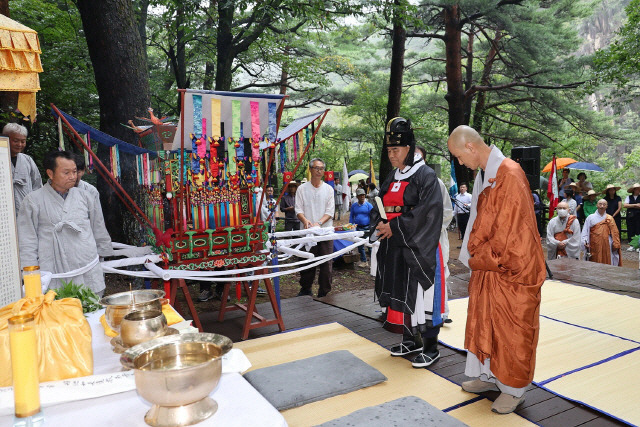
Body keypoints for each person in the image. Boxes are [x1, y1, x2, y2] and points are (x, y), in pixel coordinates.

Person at [448, 125, 545, 414]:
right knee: (486, 321)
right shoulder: (488, 173)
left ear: (470, 147)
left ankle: (514, 388)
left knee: (512, 329)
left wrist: (478, 257)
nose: (460, 164)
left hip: (512, 270)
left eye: (459, 157)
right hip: (491, 268)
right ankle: (490, 375)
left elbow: (510, 235)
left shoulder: (510, 174)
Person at [370, 118, 443, 369]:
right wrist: (380, 223)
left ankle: (431, 347)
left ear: (409, 149)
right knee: (400, 291)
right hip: (394, 245)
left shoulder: (426, 175)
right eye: (389, 151)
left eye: (396, 150)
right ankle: (411, 340)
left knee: (423, 297)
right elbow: (381, 202)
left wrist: (396, 227)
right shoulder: (393, 175)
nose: (391, 155)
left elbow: (429, 212)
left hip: (418, 246)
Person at [17, 151, 113, 296]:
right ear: (50, 173)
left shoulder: (86, 197)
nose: (72, 176)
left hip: (86, 266)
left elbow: (98, 228)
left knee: (91, 312)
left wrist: (103, 252)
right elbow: (27, 240)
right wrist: (31, 274)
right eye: (66, 172)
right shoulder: (33, 201)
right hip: (53, 271)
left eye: (74, 171)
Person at [415, 144, 454, 324]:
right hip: (413, 240)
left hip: (434, 239)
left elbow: (447, 211)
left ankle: (441, 312)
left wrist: (431, 231)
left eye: (419, 157)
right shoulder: (407, 183)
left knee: (439, 275)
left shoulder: (436, 183)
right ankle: (420, 314)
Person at [295, 158, 335, 297]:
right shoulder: (302, 188)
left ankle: (324, 292)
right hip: (307, 232)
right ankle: (305, 289)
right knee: (307, 262)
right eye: (316, 168)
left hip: (325, 232)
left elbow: (330, 212)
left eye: (321, 168)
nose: (319, 171)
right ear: (311, 169)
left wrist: (319, 223)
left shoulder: (329, 189)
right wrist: (305, 221)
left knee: (326, 265)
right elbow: (298, 209)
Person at [4, 123, 42, 214]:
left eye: (23, 141)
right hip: (4, 212)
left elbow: (37, 185)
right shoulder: (2, 158)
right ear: (6, 138)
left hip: (26, 212)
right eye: (16, 141)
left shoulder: (27, 160)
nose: (20, 144)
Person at [582, 199, 622, 266]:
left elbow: (615, 232)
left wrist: (616, 243)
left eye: (604, 204)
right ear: (597, 205)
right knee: (594, 260)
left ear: (607, 206)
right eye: (600, 204)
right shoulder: (590, 217)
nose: (602, 206)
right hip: (593, 243)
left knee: (607, 259)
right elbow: (585, 231)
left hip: (607, 244)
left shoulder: (610, 218)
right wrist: (584, 241)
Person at [349, 188, 373, 267]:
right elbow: (352, 216)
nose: (362, 197)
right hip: (358, 228)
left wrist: (372, 226)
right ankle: (364, 261)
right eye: (360, 195)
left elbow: (373, 215)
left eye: (363, 195)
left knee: (370, 245)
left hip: (367, 227)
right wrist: (351, 225)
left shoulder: (368, 205)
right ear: (357, 197)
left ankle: (373, 261)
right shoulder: (354, 206)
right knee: (360, 245)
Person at [623, 183, 640, 251]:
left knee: (638, 230)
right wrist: (636, 205)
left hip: (639, 217)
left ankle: (638, 246)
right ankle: (631, 245)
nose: (638, 190)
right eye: (637, 189)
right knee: (630, 230)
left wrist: (631, 205)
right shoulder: (628, 197)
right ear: (634, 190)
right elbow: (625, 205)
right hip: (630, 217)